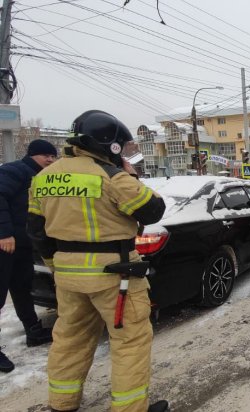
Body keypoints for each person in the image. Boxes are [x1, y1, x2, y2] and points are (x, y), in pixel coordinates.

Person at [26, 110, 168, 412]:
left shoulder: (43, 177)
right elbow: (153, 210)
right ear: (111, 145)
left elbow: (36, 231)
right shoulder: (111, 176)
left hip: (67, 277)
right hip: (116, 277)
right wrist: (129, 174)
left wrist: (56, 265)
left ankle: (62, 403)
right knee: (129, 342)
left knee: (70, 339)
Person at [0, 139, 57, 373]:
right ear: (34, 155)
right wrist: (3, 233)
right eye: (47, 156)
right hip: (4, 244)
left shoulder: (42, 176)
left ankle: (33, 331)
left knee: (22, 288)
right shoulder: (15, 170)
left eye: (53, 157)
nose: (51, 161)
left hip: (22, 246)